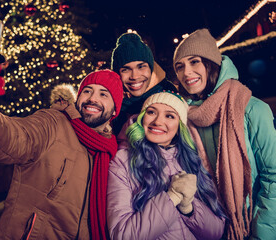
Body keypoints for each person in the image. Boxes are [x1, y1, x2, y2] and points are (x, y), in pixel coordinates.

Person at [0, 39, 124, 240]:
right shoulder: (54, 123)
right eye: (87, 91)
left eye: (104, 94)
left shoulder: (111, 154)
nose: (92, 98)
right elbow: (15, 136)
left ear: (115, 110)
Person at [173, 28, 276, 240]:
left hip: (251, 225)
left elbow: (273, 177)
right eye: (179, 66)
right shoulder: (184, 116)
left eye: (194, 62)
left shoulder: (252, 109)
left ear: (211, 64)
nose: (186, 73)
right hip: (211, 227)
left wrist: (260, 234)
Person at [107, 91, 226, 239]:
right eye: (151, 112)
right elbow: (122, 234)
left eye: (169, 116)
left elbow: (216, 233)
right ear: (142, 118)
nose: (157, 121)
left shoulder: (191, 161)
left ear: (179, 128)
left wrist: (188, 207)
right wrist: (172, 197)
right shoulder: (123, 161)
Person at [110, 31, 177, 136]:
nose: (135, 76)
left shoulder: (168, 95)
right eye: (126, 69)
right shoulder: (114, 106)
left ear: (151, 68)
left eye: (141, 67)